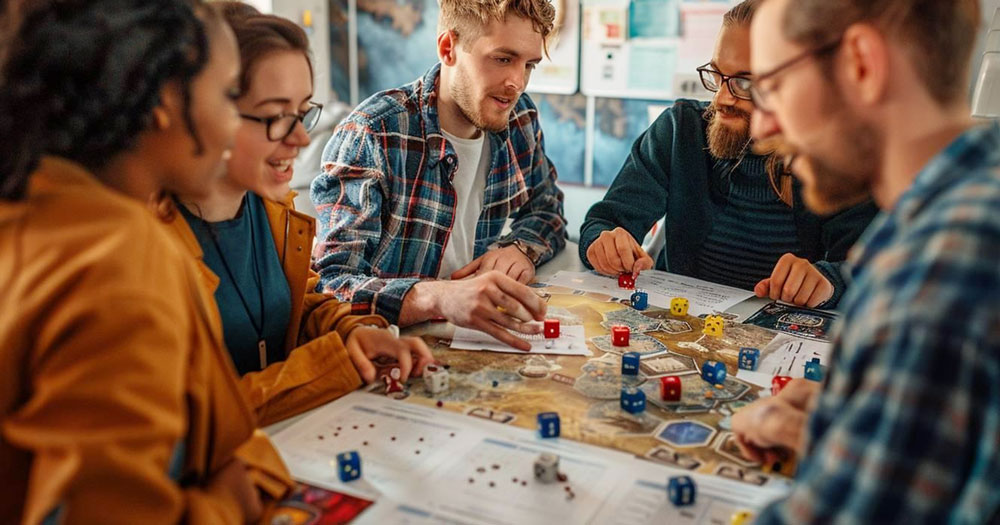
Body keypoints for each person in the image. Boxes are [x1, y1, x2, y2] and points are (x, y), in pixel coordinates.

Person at [0, 1, 291, 522]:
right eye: (227, 96)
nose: (232, 127)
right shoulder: (120, 253)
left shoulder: (33, 208)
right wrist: (226, 504)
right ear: (163, 100)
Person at [731, 0, 999, 521]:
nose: (761, 128)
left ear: (861, 64)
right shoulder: (970, 203)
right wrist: (849, 429)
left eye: (772, 88)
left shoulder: (940, 265)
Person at [172, 2, 434, 426]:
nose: (299, 138)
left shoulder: (272, 207)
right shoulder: (148, 241)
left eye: (303, 112)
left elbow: (302, 303)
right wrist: (333, 365)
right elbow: (189, 421)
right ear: (208, 112)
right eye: (276, 117)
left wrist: (352, 332)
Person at [579, 0, 877, 309]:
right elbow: (602, 223)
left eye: (745, 82)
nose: (721, 98)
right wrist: (603, 244)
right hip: (682, 326)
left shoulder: (835, 154)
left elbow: (870, 271)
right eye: (717, 75)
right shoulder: (682, 130)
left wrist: (828, 282)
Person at [310, 0, 566, 350]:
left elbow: (547, 208)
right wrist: (438, 297)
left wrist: (519, 249)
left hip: (471, 342)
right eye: (503, 59)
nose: (517, 83)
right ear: (448, 48)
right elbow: (329, 285)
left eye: (529, 65)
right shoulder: (373, 133)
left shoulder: (520, 118)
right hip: (393, 348)